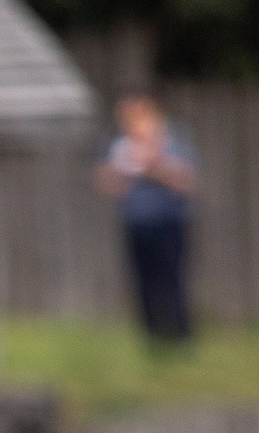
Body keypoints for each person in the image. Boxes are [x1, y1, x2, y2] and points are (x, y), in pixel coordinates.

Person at [94, 94, 198, 347]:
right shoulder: (121, 146)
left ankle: (181, 338)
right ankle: (152, 338)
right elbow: (104, 183)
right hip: (136, 222)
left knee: (172, 279)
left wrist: (153, 165)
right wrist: (122, 169)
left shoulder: (172, 140)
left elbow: (187, 181)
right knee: (143, 282)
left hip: (169, 221)